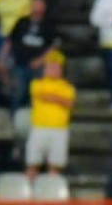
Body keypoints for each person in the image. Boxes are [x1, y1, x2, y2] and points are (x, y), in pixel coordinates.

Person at [25, 51, 76, 180]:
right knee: (32, 163)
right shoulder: (37, 84)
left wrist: (53, 97)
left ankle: (51, 195)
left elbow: (69, 102)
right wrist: (59, 98)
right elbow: (43, 95)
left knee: (55, 165)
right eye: (50, 66)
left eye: (56, 66)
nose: (53, 69)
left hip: (59, 129)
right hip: (39, 127)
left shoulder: (68, 87)